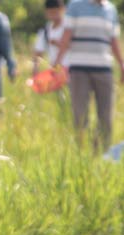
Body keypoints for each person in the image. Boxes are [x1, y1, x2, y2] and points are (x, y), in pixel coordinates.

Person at [53, 0, 124, 151]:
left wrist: (121, 64)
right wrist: (57, 63)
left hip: (104, 69)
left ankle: (102, 155)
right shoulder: (75, 5)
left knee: (106, 117)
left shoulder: (111, 9)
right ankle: (81, 153)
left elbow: (114, 41)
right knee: (80, 115)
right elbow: (67, 36)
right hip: (79, 69)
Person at [32, 0, 67, 75]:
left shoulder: (68, 28)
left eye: (55, 12)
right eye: (50, 13)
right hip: (54, 71)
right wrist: (35, 69)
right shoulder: (45, 31)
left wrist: (58, 43)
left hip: (71, 71)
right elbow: (38, 52)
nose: (53, 15)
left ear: (62, 10)